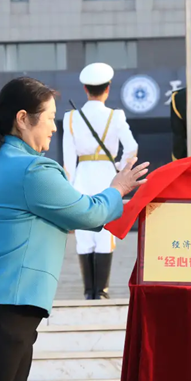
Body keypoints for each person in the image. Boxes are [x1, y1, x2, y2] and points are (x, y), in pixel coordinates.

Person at [0, 76, 148, 381]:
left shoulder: (1, 162)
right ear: (23, 119)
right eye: (48, 118)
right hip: (4, 310)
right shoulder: (32, 170)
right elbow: (87, 212)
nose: (55, 127)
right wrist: (118, 188)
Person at [62, 62, 139, 300]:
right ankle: (102, 292)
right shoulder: (116, 116)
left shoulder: (71, 117)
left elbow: (67, 158)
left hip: (82, 175)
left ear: (86, 89)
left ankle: (89, 292)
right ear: (108, 89)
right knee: (106, 232)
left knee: (85, 234)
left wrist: (69, 188)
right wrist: (121, 166)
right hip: (108, 175)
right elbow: (132, 147)